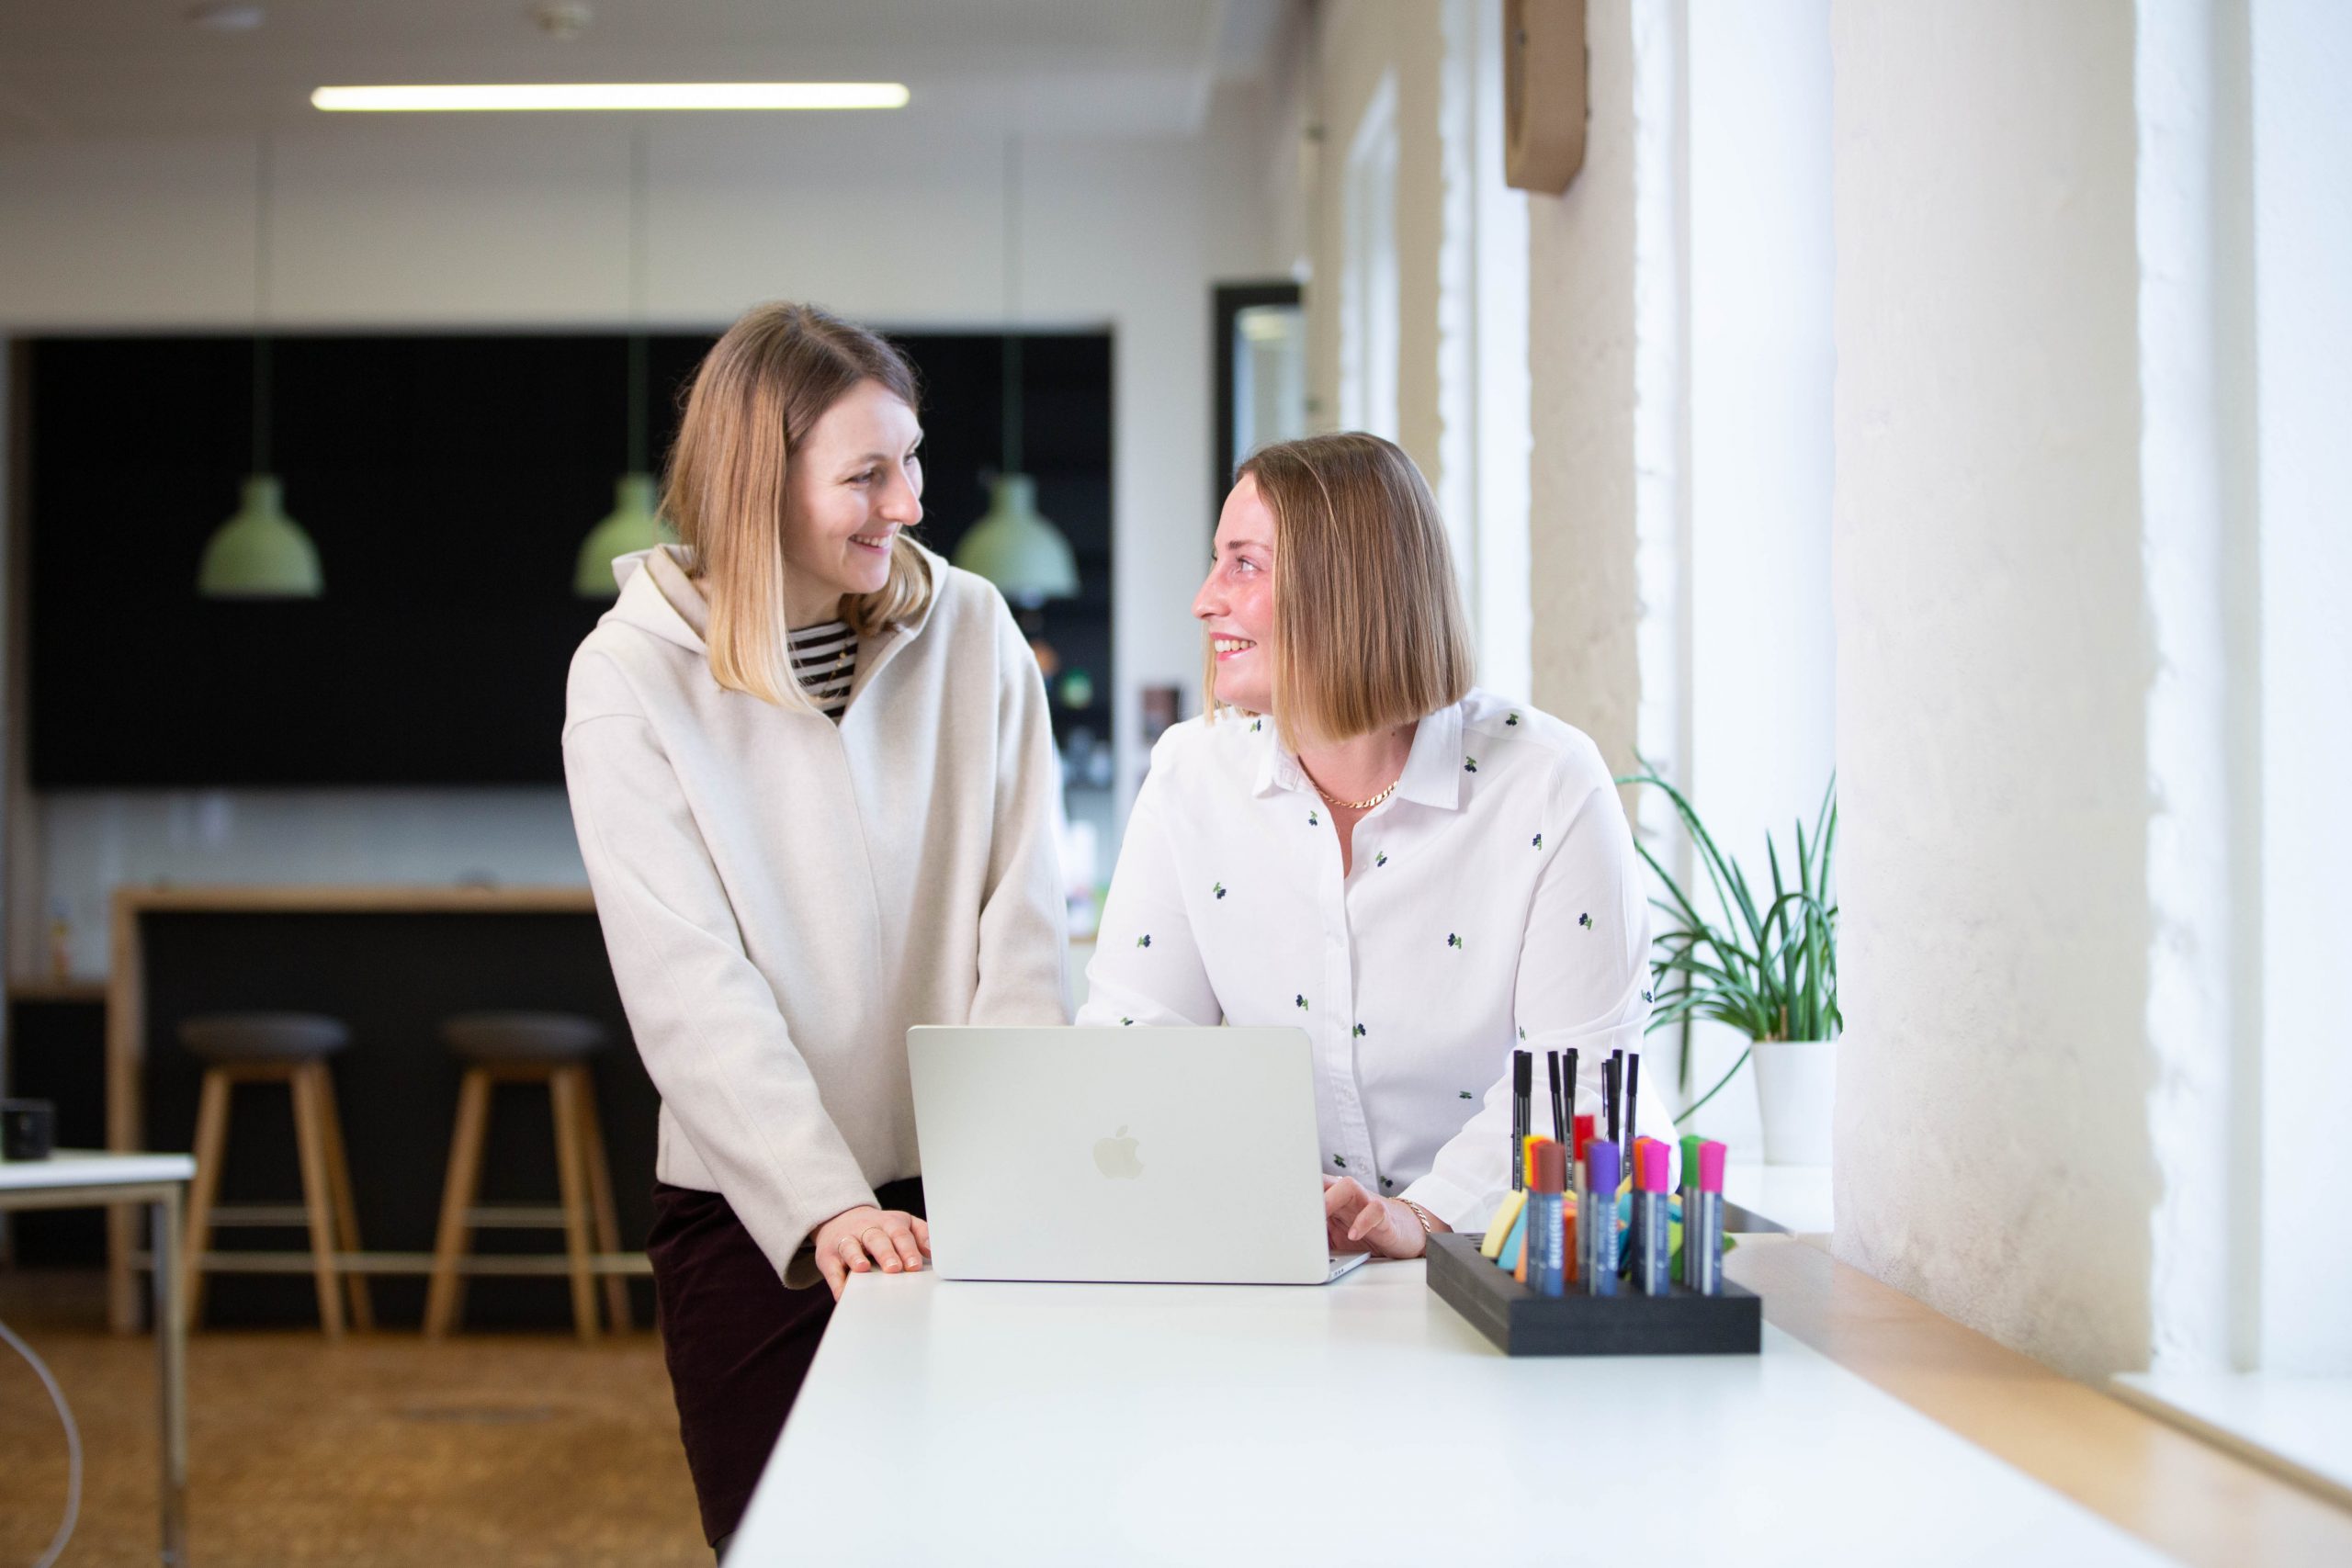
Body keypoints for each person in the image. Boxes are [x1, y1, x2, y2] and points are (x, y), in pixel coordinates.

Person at [562, 301, 1067, 1552]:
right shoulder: (627, 675)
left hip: (965, 1185)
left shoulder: (975, 630)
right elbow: (690, 983)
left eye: (911, 460)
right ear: (757, 483)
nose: (906, 500)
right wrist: (824, 1202)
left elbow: (1028, 920)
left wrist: (999, 1170)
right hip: (759, 1211)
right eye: (864, 473)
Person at [1076, 432, 1676, 1258]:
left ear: (1345, 588)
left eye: (1243, 564)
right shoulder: (1191, 774)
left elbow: (1580, 1081)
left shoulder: (1547, 783)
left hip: (1527, 1260)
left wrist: (1419, 1216)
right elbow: (1134, 1041)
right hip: (1306, 1264)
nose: (1205, 599)